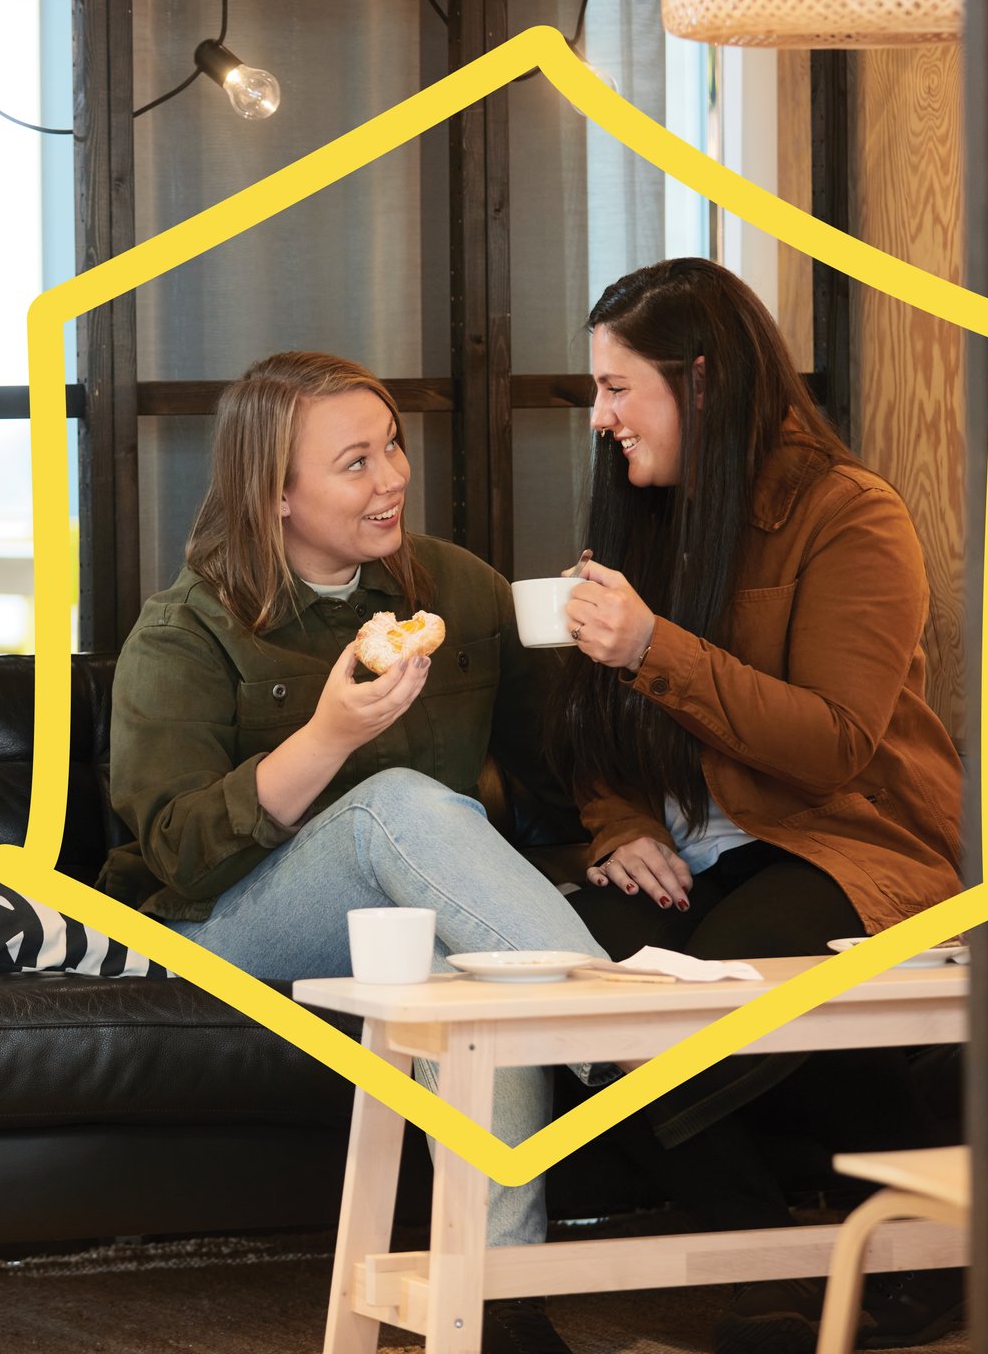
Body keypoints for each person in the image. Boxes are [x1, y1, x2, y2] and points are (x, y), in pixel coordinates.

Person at [98, 350, 607, 1354]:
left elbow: (553, 775)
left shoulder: (459, 588)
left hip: (398, 925)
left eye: (393, 447)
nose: (392, 479)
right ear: (276, 493)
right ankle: (630, 1039)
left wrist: (625, 828)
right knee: (396, 805)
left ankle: (494, 1306)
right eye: (354, 462)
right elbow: (177, 855)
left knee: (471, 975)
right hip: (228, 921)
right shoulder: (185, 631)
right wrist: (328, 731)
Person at [548, 259, 966, 1353]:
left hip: (840, 842)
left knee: (710, 998)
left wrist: (654, 646)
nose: (601, 419)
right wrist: (620, 825)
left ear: (699, 380)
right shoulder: (640, 512)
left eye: (615, 388)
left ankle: (911, 1238)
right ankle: (770, 1267)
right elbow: (594, 733)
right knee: (570, 980)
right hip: (689, 851)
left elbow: (833, 744)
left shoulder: (848, 514)